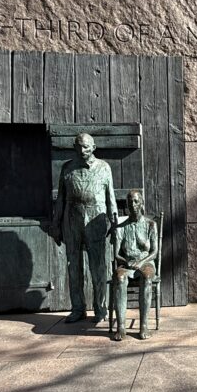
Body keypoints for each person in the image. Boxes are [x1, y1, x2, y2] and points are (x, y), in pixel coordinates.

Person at [52, 133, 117, 324]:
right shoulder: (67, 168)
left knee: (98, 267)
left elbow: (110, 198)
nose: (82, 151)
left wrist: (114, 226)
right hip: (72, 218)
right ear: (74, 147)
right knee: (74, 266)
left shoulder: (104, 168)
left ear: (94, 148)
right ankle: (78, 308)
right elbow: (60, 199)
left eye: (86, 147)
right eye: (79, 147)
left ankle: (100, 308)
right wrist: (56, 225)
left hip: (96, 218)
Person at [112, 189, 159, 341]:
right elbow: (116, 254)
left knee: (146, 277)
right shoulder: (121, 227)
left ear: (141, 204)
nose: (132, 204)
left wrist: (141, 262)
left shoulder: (151, 225)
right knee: (119, 278)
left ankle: (143, 325)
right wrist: (127, 262)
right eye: (130, 202)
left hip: (146, 262)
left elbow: (155, 251)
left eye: (136, 201)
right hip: (126, 263)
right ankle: (121, 327)